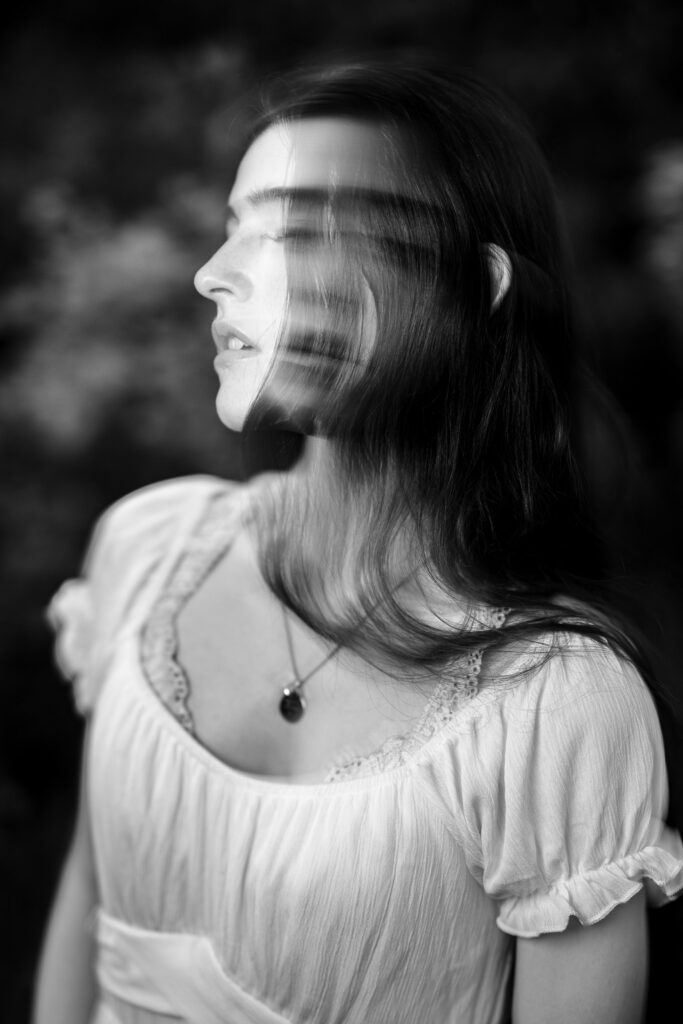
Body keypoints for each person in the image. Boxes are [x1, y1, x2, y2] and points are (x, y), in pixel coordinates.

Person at [33, 60, 683, 1024]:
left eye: (294, 233)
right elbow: (86, 914)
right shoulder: (151, 544)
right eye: (234, 229)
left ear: (474, 285)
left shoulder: (557, 706)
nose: (214, 277)